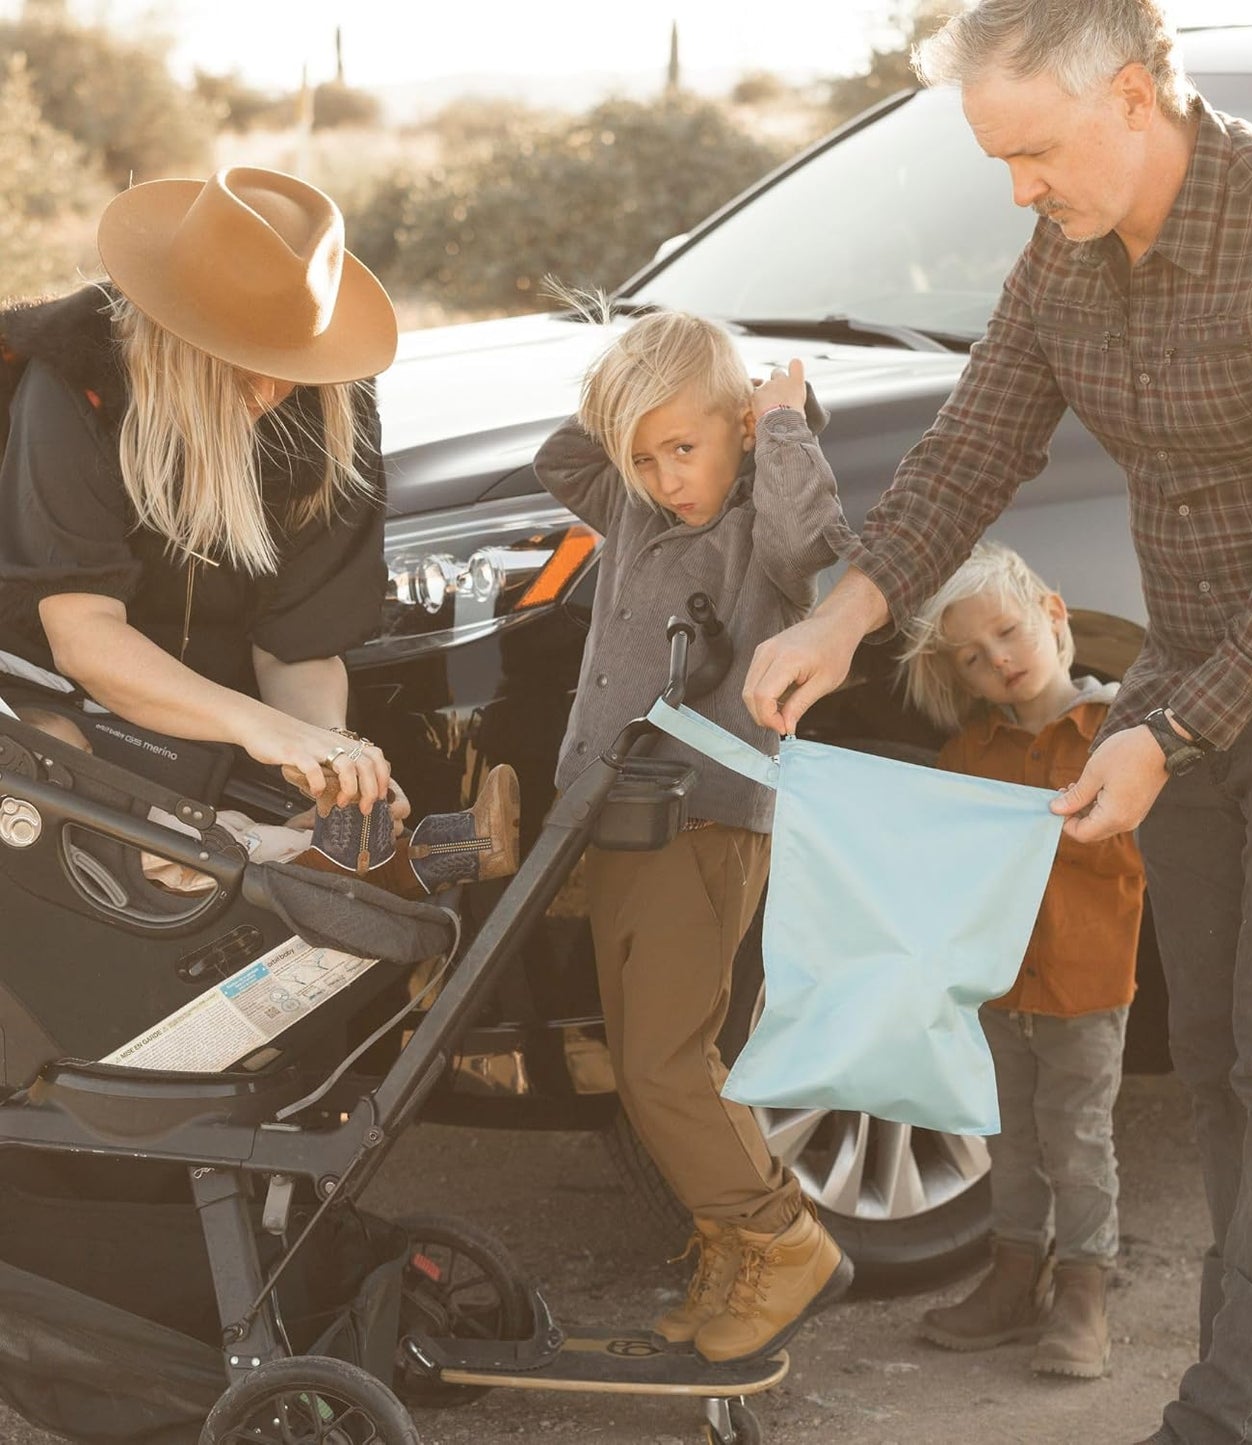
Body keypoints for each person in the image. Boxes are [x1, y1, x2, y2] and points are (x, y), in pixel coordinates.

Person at [741, 1, 1252, 1441]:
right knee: (1226, 1067)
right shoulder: (1068, 255)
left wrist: (1162, 736)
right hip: (1192, 669)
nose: (1018, 190)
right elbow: (974, 443)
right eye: (997, 160)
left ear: (1133, 96)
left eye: (1034, 153)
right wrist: (844, 614)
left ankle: (1235, 1416)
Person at [0, 165, 517, 895]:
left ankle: (332, 854)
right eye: (247, 367)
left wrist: (326, 754)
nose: (273, 393)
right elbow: (82, 636)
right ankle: (333, 860)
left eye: (290, 365)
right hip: (48, 698)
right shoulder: (73, 383)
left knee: (230, 852)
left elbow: (296, 647)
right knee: (64, 771)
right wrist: (264, 731)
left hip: (217, 722)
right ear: (176, 338)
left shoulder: (331, 404)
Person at [532, 310, 855, 1364]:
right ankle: (729, 1245)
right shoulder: (633, 513)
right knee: (643, 1062)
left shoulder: (759, 525)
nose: (667, 476)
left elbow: (819, 539)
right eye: (644, 454)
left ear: (737, 432)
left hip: (705, 816)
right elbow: (559, 455)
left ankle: (782, 1239)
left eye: (685, 446)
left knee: (669, 1060)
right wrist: (628, 389)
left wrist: (782, 421)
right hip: (620, 816)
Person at [901, 542, 1145, 1380]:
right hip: (998, 985)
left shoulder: (1118, 736)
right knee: (1007, 1135)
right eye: (972, 655)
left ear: (1053, 613)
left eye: (1007, 631)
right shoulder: (968, 757)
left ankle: (1084, 1288)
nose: (997, 659)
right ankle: (1013, 1276)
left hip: (1085, 981)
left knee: (1075, 1137)